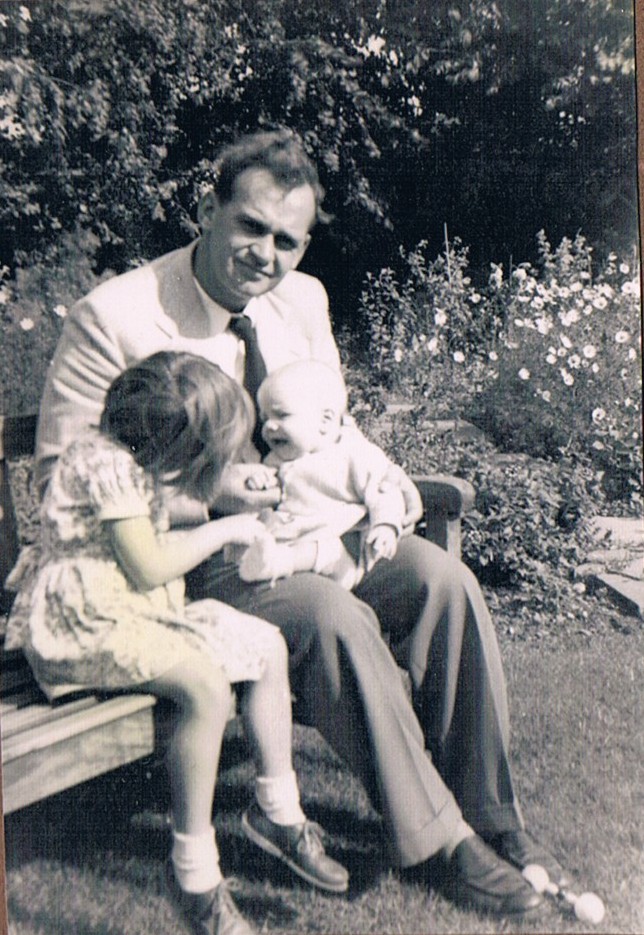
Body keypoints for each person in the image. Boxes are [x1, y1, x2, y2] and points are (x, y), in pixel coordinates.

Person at [33, 129, 571, 917]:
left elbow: (332, 426)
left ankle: (492, 816)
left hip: (314, 530)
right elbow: (63, 478)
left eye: (286, 240)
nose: (265, 254)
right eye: (250, 226)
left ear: (304, 244)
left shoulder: (302, 300)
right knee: (327, 614)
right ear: (208, 209)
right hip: (189, 559)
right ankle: (440, 842)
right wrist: (214, 494)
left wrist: (382, 488)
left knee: (441, 579)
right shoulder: (114, 316)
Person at [6, 351, 349, 935]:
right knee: (205, 688)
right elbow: (149, 566)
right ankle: (194, 872)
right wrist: (227, 528)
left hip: (130, 610)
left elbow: (146, 557)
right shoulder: (103, 466)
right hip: (82, 625)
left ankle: (278, 812)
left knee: (266, 646)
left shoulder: (128, 455)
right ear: (169, 445)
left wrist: (236, 497)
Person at [234, 360, 407, 591]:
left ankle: (276, 564)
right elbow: (272, 484)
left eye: (282, 415)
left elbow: (384, 491)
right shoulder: (280, 458)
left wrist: (385, 525)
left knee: (321, 548)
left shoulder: (355, 454)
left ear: (325, 420)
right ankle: (266, 561)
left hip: (342, 551)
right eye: (265, 418)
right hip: (298, 536)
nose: (269, 427)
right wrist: (262, 480)